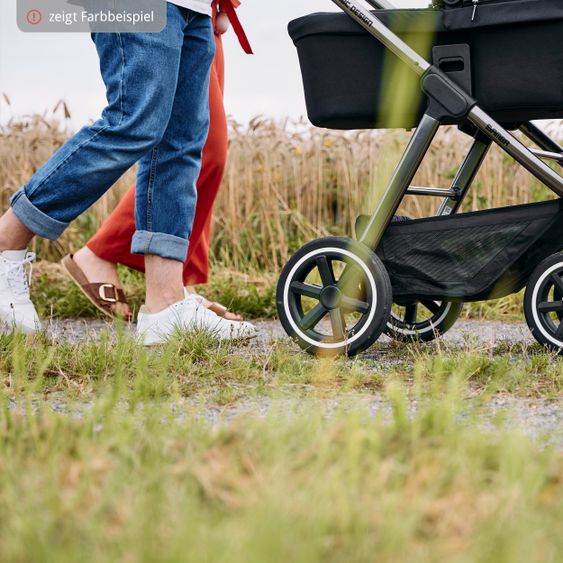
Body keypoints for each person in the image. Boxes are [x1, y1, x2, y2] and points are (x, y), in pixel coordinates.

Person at [0, 0, 256, 344]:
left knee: (179, 145)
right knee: (132, 124)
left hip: (193, 7)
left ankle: (165, 305)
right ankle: (6, 240)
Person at [62, 0, 252, 324]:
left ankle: (173, 289)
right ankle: (99, 252)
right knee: (195, 145)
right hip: (167, 9)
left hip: (204, 10)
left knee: (197, 149)